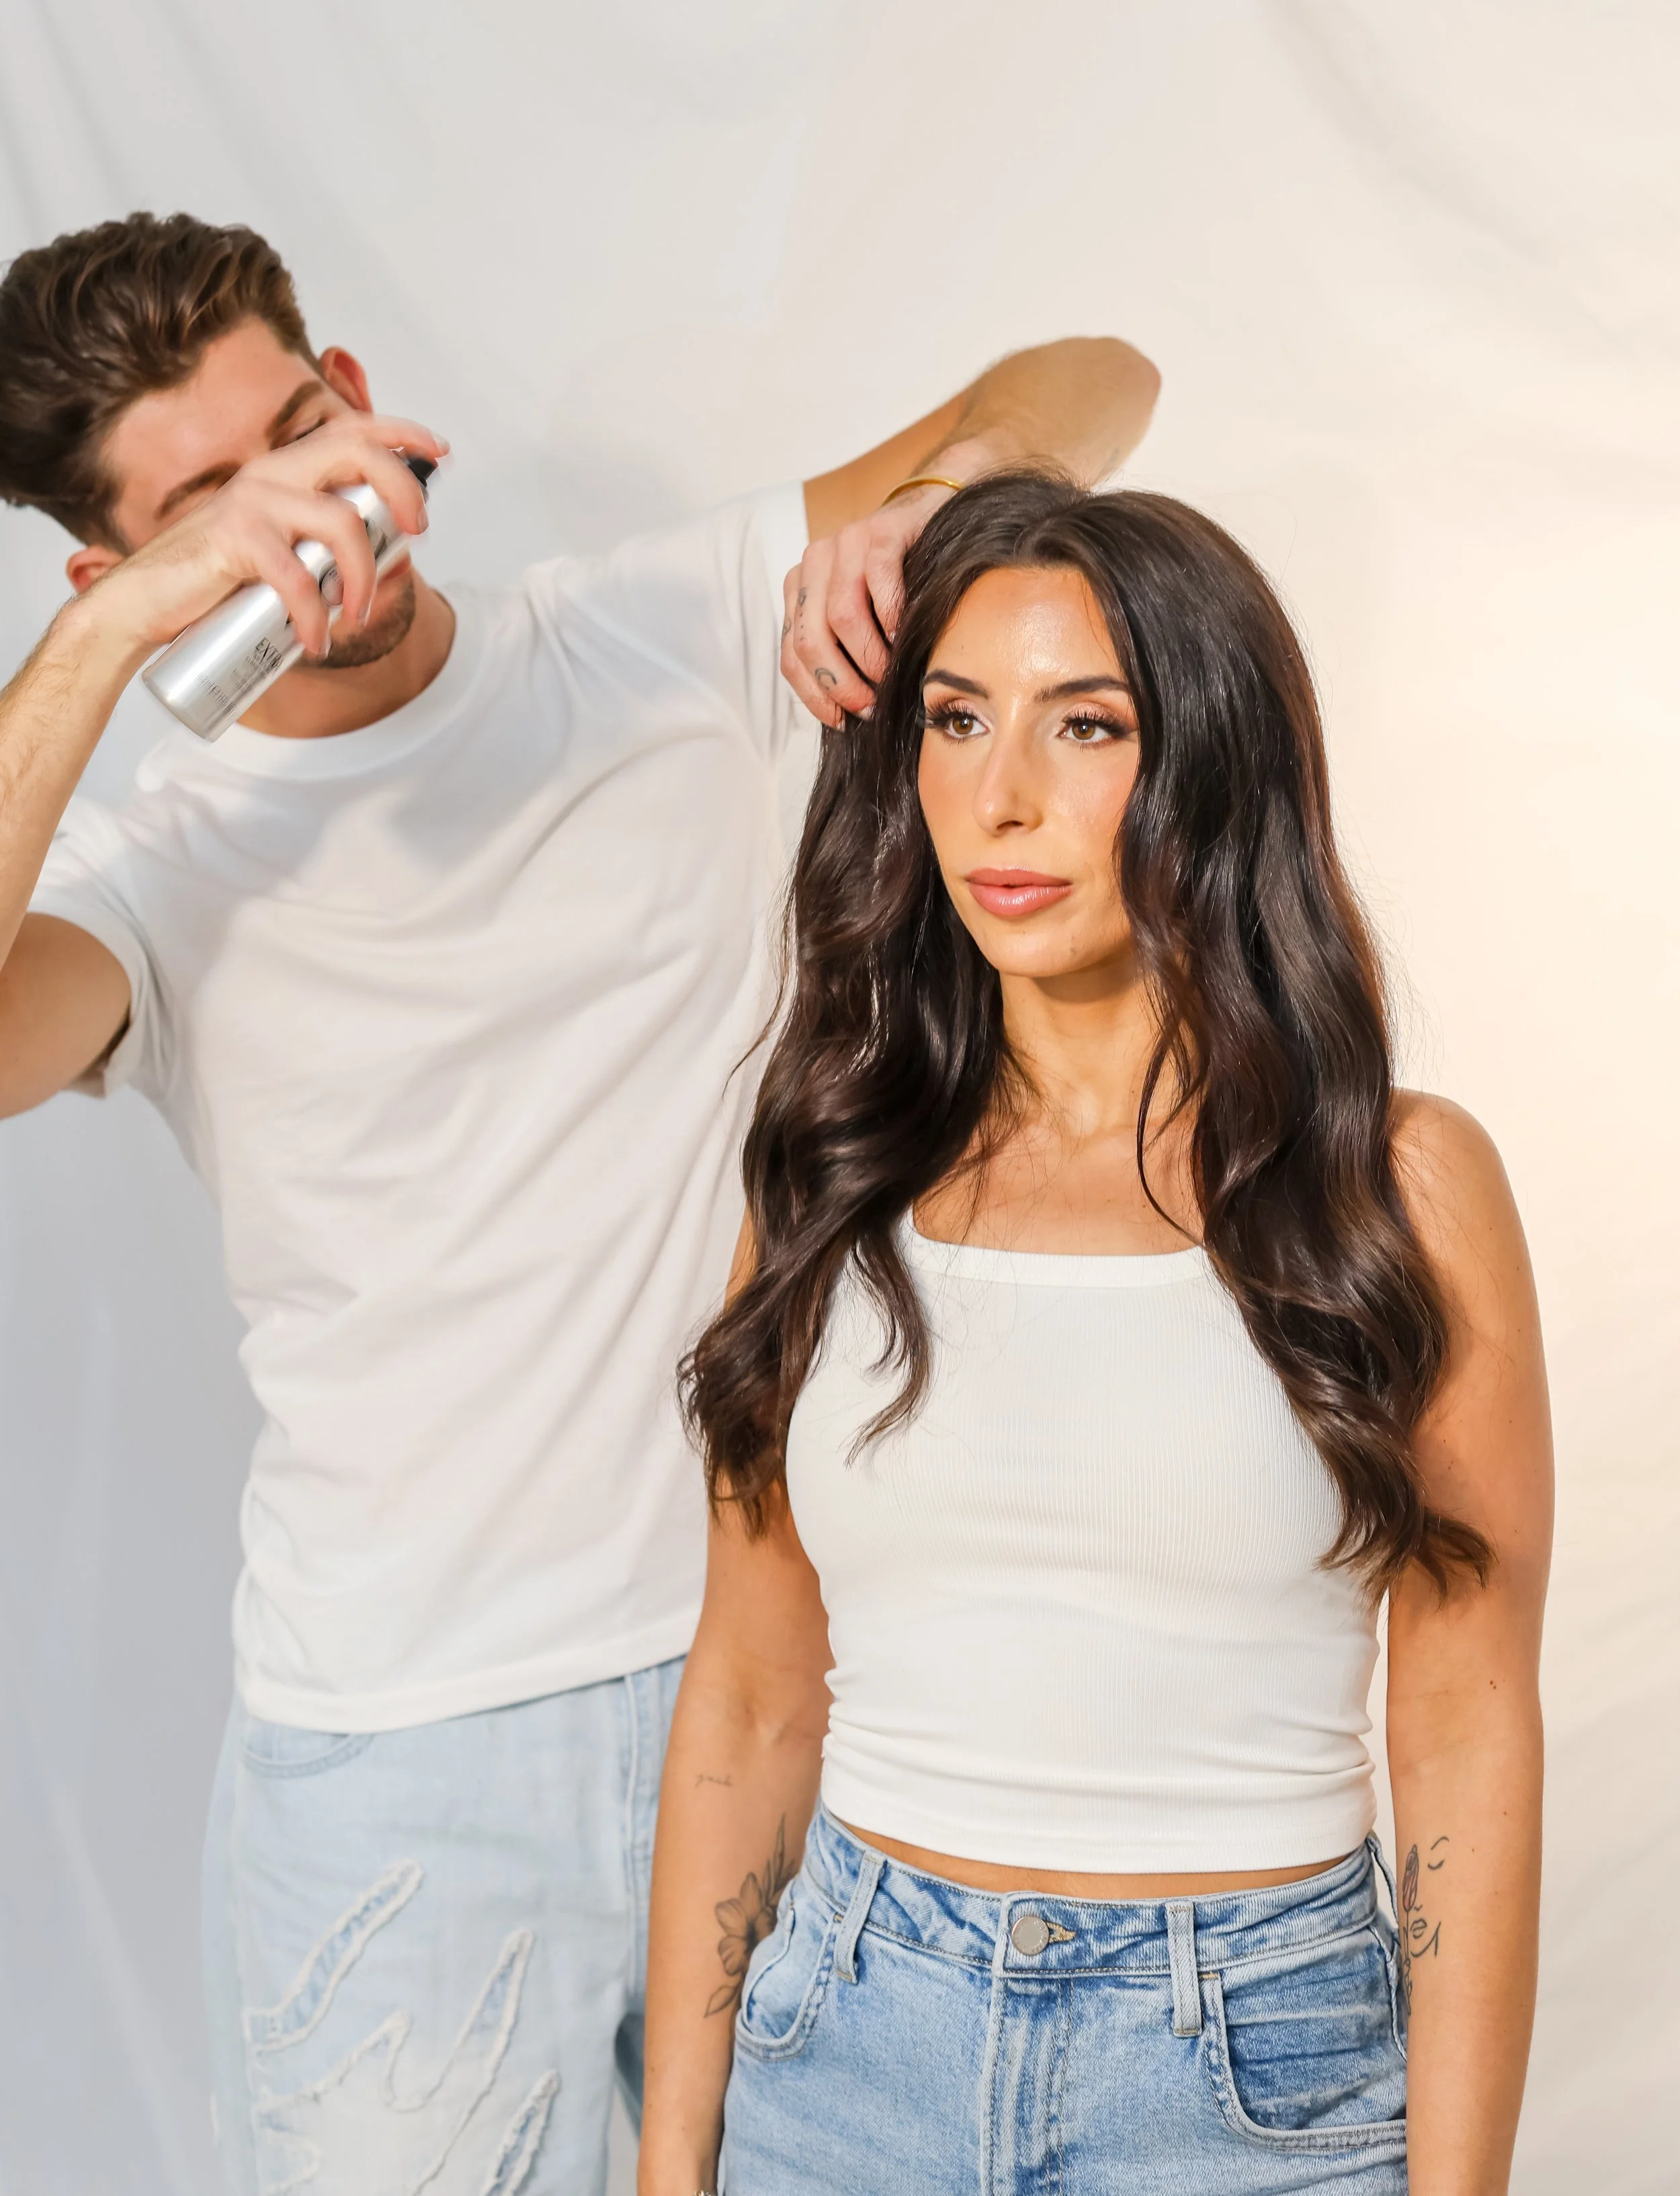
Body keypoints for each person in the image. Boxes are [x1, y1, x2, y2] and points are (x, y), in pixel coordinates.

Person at [0, 212, 1161, 2195]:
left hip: (797, 1683)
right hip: (400, 1764)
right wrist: (114, 648)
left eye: (308, 433)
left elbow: (1093, 376)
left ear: (359, 400)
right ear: (125, 565)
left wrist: (939, 508)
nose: (313, 518)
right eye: (221, 505)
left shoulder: (656, 625)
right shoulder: (144, 864)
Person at [640, 473, 1552, 2195]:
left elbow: (1462, 1728)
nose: (1001, 794)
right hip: (841, 2049)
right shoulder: (838, 1171)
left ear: (1210, 760)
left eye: (1086, 725)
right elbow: (752, 1695)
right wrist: (668, 2163)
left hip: (1248, 2076)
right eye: (954, 717)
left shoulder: (1394, 1186)